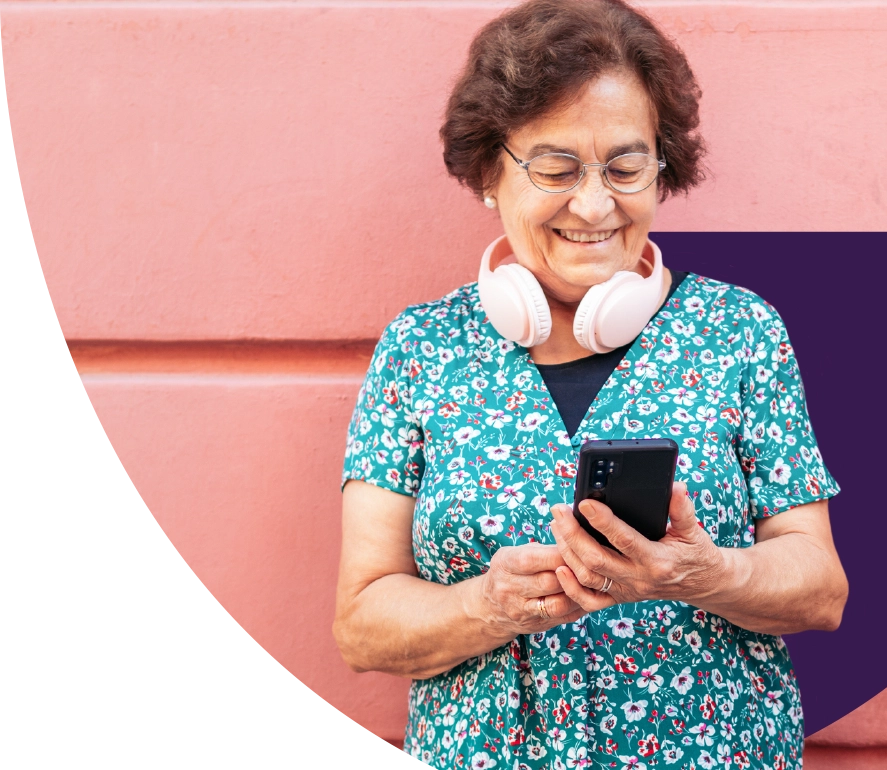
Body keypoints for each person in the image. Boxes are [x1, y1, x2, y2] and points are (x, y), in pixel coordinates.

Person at [333, 1, 848, 768]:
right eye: (556, 167)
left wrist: (700, 572)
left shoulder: (738, 332)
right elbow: (361, 624)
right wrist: (487, 604)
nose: (595, 203)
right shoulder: (421, 349)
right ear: (486, 171)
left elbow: (818, 590)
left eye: (625, 165)